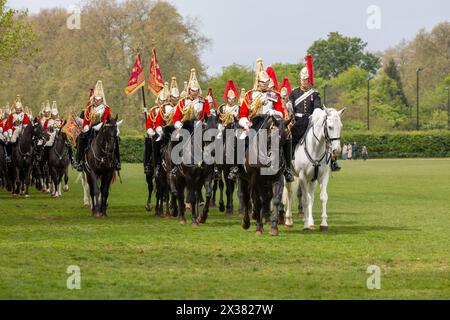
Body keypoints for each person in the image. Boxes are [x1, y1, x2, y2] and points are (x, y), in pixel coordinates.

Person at [228, 58, 294, 183]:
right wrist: (245, 122)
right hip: (254, 122)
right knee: (241, 138)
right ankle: (236, 167)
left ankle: (286, 168)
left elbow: (281, 110)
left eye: (266, 82)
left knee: (286, 137)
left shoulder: (274, 95)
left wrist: (273, 112)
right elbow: (242, 114)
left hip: (271, 122)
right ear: (258, 82)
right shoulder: (250, 95)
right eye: (262, 82)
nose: (264, 84)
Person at [287, 54, 341, 172]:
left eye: (306, 79)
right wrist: (289, 108)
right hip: (297, 121)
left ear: (309, 80)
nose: (304, 81)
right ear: (300, 79)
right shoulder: (294, 93)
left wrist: (316, 115)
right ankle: (287, 162)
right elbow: (290, 106)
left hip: (311, 121)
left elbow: (317, 108)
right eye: (303, 79)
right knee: (291, 139)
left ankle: (333, 161)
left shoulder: (315, 94)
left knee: (326, 136)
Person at [171, 68, 212, 176]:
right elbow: (176, 117)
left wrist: (205, 122)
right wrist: (178, 124)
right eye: (193, 90)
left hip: (200, 126)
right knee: (177, 140)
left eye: (197, 90)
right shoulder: (183, 102)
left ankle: (213, 166)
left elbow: (207, 114)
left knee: (211, 140)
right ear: (189, 90)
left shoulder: (204, 101)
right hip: (186, 126)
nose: (195, 92)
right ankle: (176, 164)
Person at [75, 80, 121, 171]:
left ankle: (117, 161)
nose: (97, 101)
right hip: (91, 128)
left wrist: (100, 125)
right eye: (96, 99)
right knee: (81, 137)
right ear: (94, 99)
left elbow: (105, 119)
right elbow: (86, 119)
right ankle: (79, 161)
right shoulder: (89, 108)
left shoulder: (106, 108)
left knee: (114, 138)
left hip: (102, 128)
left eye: (99, 100)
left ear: (102, 99)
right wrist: (86, 126)